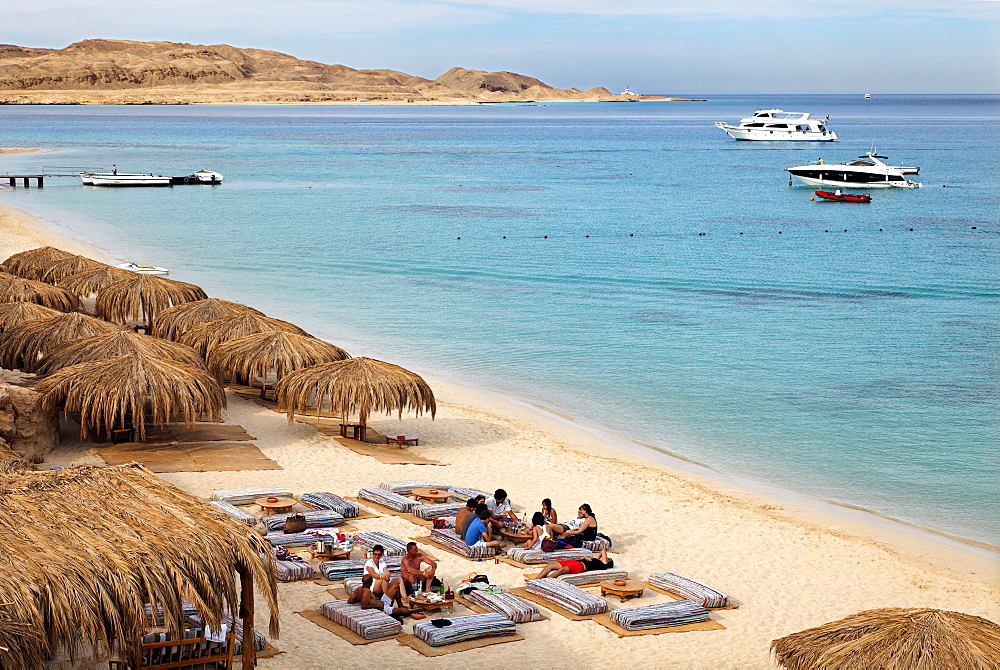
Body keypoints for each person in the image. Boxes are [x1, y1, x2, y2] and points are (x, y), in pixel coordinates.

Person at [532, 547, 614, 580]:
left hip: (581, 566)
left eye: (608, 558)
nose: (606, 557)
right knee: (551, 565)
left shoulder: (604, 565)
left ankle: (545, 580)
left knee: (562, 570)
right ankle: (536, 578)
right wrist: (590, 558)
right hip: (576, 562)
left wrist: (599, 559)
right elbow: (599, 555)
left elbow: (603, 550)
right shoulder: (597, 562)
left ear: (608, 562)